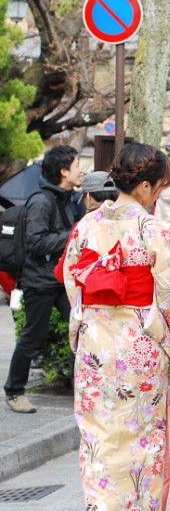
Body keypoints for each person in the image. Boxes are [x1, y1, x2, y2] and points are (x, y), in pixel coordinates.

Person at [61, 143, 170, 511]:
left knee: (97, 430)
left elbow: (72, 281)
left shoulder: (86, 226)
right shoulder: (154, 230)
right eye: (159, 186)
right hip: (138, 342)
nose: (160, 193)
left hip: (96, 338)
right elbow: (169, 291)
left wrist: (82, 326)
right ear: (145, 185)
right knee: (144, 430)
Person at [4, 145, 81, 414]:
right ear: (63, 171)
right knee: (32, 338)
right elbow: (36, 242)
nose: (80, 169)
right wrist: (72, 235)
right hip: (40, 280)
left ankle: (86, 389)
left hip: (58, 278)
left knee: (81, 330)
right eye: (77, 164)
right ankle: (14, 392)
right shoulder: (41, 201)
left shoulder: (63, 197)